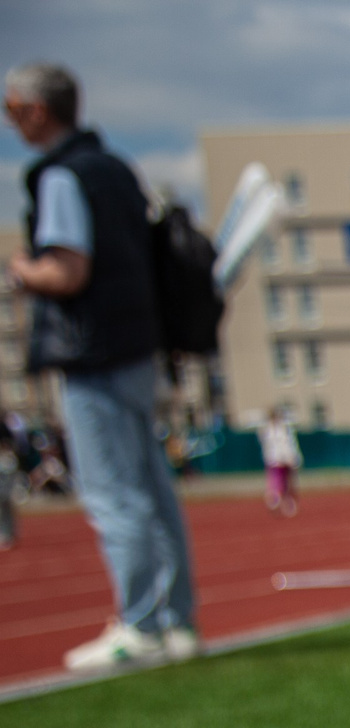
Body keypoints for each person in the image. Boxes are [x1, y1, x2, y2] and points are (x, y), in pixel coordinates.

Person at [7, 63, 199, 671]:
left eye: (11, 110)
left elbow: (68, 271)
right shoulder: (116, 169)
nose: (10, 123)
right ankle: (177, 621)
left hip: (93, 351)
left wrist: (22, 270)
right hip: (140, 345)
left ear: (38, 111)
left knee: (115, 491)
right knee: (151, 486)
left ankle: (140, 624)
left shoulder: (62, 175)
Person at [259, 405, 301, 517]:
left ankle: (288, 502)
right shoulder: (267, 430)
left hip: (286, 459)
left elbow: (291, 444)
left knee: (289, 483)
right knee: (275, 479)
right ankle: (275, 498)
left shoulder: (285, 429)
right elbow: (267, 446)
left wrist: (294, 457)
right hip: (274, 460)